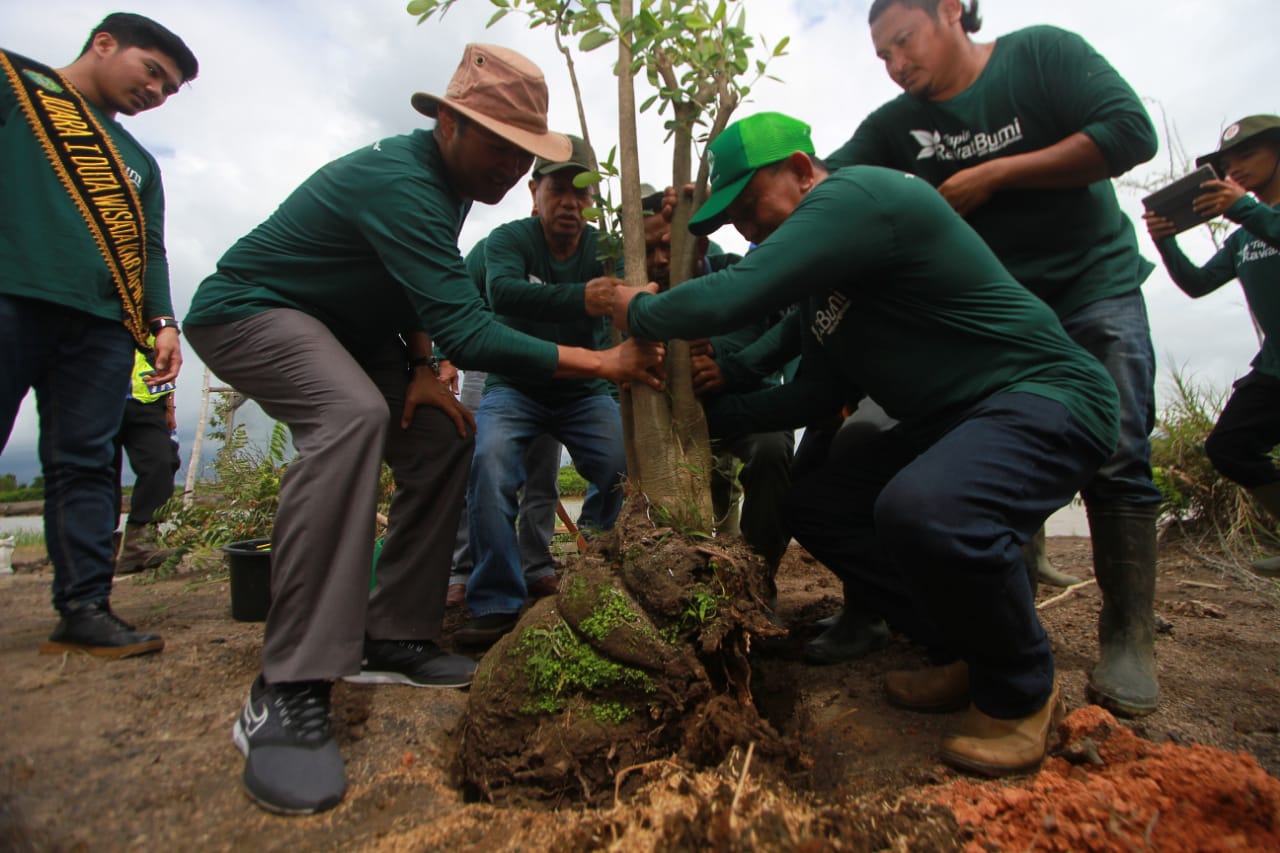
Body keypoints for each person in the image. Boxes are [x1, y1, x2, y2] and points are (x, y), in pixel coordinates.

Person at [183, 44, 663, 816]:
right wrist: (601, 364)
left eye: (522, 153)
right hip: (256, 309)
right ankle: (287, 684)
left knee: (444, 435)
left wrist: (416, 365)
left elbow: (411, 285)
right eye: (498, 145)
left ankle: (393, 635)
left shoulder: (452, 186)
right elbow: (469, 330)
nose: (510, 166)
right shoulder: (402, 180)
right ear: (446, 122)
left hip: (353, 332)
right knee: (350, 418)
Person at [612, 111, 1118, 776]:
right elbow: (815, 393)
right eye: (731, 217)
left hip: (1042, 395)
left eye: (750, 204)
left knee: (925, 507)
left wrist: (635, 309)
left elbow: (739, 292)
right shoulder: (831, 287)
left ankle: (1022, 688)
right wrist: (716, 405)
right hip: (953, 422)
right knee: (820, 505)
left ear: (799, 170)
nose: (746, 227)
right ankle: (968, 650)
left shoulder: (861, 197)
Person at [827, 0, 1163, 718]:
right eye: (881, 56)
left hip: (1091, 288)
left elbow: (1130, 132)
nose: (895, 64)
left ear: (952, 10)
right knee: (978, 458)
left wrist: (997, 174)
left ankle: (1128, 634)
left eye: (903, 42)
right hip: (999, 324)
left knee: (1121, 454)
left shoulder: (1042, 55)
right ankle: (999, 633)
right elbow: (826, 184)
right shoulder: (894, 126)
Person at [0, 13, 197, 658]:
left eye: (169, 89)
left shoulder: (138, 161)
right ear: (104, 43)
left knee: (88, 464)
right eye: (152, 72)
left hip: (103, 327)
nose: (157, 93)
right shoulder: (17, 86)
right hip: (11, 297)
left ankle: (85, 607)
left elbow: (151, 248)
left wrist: (163, 322)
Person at [459, 134, 628, 647]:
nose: (570, 204)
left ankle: (596, 566)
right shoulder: (510, 240)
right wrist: (583, 299)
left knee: (622, 464)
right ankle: (495, 599)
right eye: (558, 189)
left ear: (594, 201)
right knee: (489, 465)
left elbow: (630, 300)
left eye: (582, 193)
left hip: (586, 390)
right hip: (516, 387)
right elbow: (503, 291)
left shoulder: (608, 249)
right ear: (535, 192)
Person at [641, 188, 795, 604]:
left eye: (668, 247)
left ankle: (758, 583)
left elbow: (767, 334)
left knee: (771, 450)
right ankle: (671, 587)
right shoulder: (636, 291)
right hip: (669, 419)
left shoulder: (739, 272)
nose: (659, 259)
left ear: (700, 242)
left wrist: (718, 356)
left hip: (742, 405)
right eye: (649, 248)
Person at [1144, 115, 1280, 575]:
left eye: (1247, 154)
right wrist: (1166, 244)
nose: (1234, 167)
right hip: (1275, 369)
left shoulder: (1253, 218)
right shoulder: (1245, 236)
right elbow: (1198, 284)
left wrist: (1243, 208)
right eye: (1226, 162)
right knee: (1230, 446)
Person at [446, 237, 563, 608]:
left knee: (542, 474)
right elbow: (454, 300)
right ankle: (463, 570)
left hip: (549, 368)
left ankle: (536, 564)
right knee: (478, 466)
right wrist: (445, 356)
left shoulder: (576, 257)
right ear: (535, 193)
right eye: (552, 188)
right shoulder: (497, 246)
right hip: (489, 364)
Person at [113, 342, 181, 573]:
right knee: (98, 470)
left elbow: (166, 356)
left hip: (148, 398)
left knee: (163, 461)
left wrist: (169, 407)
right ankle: (97, 547)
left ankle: (139, 543)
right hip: (100, 395)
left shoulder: (153, 313)